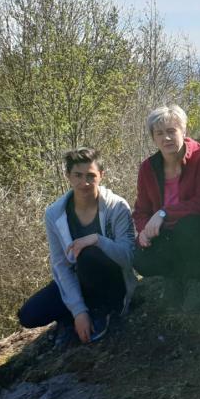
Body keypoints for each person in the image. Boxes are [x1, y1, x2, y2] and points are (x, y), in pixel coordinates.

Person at [19, 148, 136, 346]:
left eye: (91, 176)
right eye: (78, 175)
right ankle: (72, 318)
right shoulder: (54, 214)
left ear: (101, 175)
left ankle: (100, 312)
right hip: (79, 279)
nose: (84, 182)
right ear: (68, 176)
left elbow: (129, 257)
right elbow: (61, 264)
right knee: (28, 315)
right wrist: (79, 311)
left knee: (88, 253)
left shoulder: (117, 207)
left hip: (112, 282)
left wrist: (98, 240)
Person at [132, 105, 200, 312]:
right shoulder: (148, 168)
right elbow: (141, 210)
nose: (166, 138)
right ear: (153, 138)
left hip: (198, 231)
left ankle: (198, 280)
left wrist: (164, 213)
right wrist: (144, 230)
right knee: (140, 259)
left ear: (183, 131)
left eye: (172, 131)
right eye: (159, 133)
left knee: (187, 227)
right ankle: (174, 278)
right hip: (165, 235)